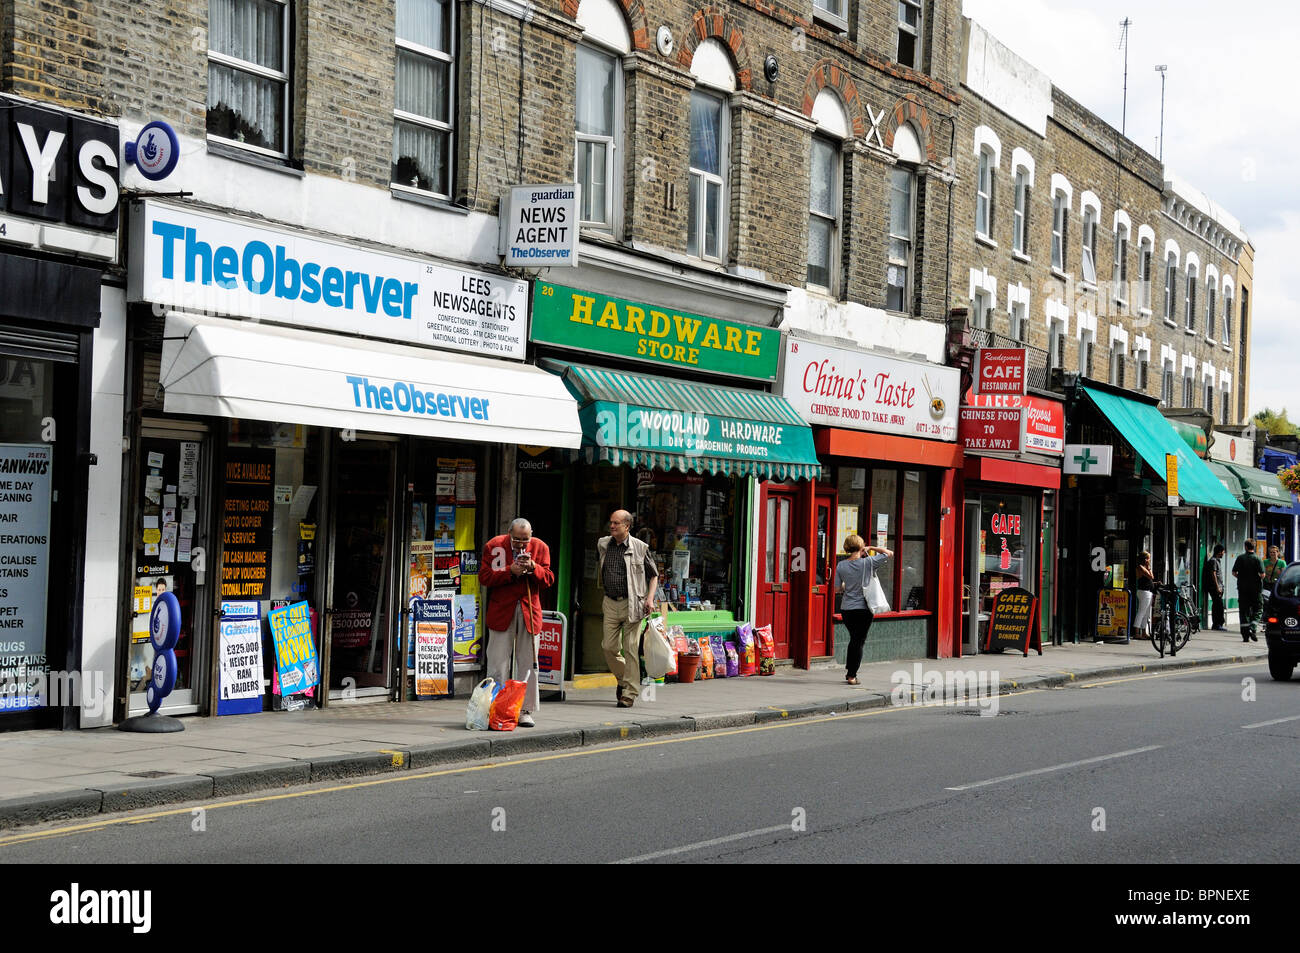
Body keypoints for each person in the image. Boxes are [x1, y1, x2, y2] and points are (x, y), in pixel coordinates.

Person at [478, 518, 554, 727]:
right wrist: (509, 571)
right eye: (517, 539)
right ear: (509, 533)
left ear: (531, 535)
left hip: (529, 610)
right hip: (502, 610)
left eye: (525, 539)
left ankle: (525, 710)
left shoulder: (540, 547)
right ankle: (494, 708)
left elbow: (548, 579)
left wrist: (533, 568)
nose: (521, 544)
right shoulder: (494, 546)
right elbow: (484, 577)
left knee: (529, 663)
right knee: (497, 662)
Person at [597, 509, 659, 708]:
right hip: (610, 602)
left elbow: (654, 575)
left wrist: (650, 599)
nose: (612, 526)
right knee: (609, 646)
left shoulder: (640, 548)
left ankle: (629, 693)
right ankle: (624, 680)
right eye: (611, 522)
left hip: (633, 604)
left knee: (631, 648)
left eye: (616, 523)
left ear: (627, 526)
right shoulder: (603, 544)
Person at [833, 535, 892, 685]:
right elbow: (888, 553)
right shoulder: (869, 562)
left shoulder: (841, 566)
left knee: (854, 639)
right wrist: (871, 548)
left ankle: (849, 670)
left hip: (847, 609)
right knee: (858, 641)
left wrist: (850, 586)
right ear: (861, 547)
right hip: (864, 609)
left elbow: (837, 589)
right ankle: (851, 675)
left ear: (847, 547)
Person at [1231, 540, 1265, 643]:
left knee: (1244, 611)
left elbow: (1234, 572)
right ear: (1254, 547)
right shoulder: (1258, 558)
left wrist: (1241, 578)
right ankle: (1253, 627)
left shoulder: (1240, 558)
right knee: (1258, 608)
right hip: (1256, 589)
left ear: (1245, 547)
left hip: (1243, 589)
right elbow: (1262, 575)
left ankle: (1245, 636)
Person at [1203, 544, 1227, 630]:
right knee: (1218, 606)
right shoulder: (1213, 561)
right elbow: (1213, 574)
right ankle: (1217, 624)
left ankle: (1217, 624)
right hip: (1215, 588)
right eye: (1223, 552)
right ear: (1219, 552)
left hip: (1218, 587)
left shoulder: (1217, 560)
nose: (1223, 553)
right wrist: (1217, 587)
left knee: (1218, 605)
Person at [1133, 551, 1156, 638]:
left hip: (1148, 591)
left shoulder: (1144, 567)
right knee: (1141, 612)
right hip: (1144, 592)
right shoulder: (1140, 567)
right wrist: (1149, 567)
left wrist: (1155, 583)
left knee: (1146, 613)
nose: (1149, 560)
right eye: (1148, 558)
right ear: (1145, 559)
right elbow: (1151, 576)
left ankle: (1143, 632)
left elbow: (1150, 579)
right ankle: (1136, 632)